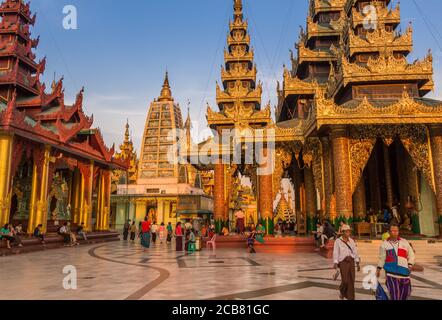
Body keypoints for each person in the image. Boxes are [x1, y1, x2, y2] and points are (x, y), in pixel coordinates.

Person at [376, 223, 415, 300]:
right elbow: (382, 258)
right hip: (391, 274)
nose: (394, 232)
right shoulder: (384, 244)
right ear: (389, 232)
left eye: (396, 231)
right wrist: (378, 268)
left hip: (405, 273)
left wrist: (410, 264)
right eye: (392, 231)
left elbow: (411, 254)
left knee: (405, 295)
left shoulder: (404, 242)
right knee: (395, 296)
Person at [333, 225, 361, 300]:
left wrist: (357, 263)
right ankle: (342, 291)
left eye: (349, 231)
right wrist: (335, 262)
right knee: (345, 280)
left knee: (351, 279)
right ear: (343, 232)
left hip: (351, 261)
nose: (349, 233)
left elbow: (355, 252)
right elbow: (335, 252)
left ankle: (350, 297)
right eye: (347, 231)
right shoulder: (338, 241)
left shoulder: (351, 241)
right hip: (343, 262)